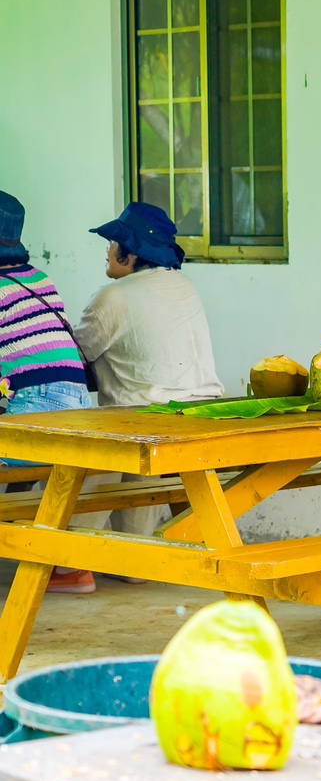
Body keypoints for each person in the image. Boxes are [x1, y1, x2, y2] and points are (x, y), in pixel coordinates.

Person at [75, 202, 223, 543]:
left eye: (113, 244)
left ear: (129, 255)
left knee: (91, 452)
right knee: (141, 455)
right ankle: (133, 558)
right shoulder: (184, 286)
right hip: (200, 413)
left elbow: (76, 355)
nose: (107, 251)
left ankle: (70, 560)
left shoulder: (113, 295)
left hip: (146, 419)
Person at [0, 190, 98, 595]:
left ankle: (51, 560)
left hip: (39, 414)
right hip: (79, 411)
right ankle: (58, 563)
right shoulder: (39, 279)